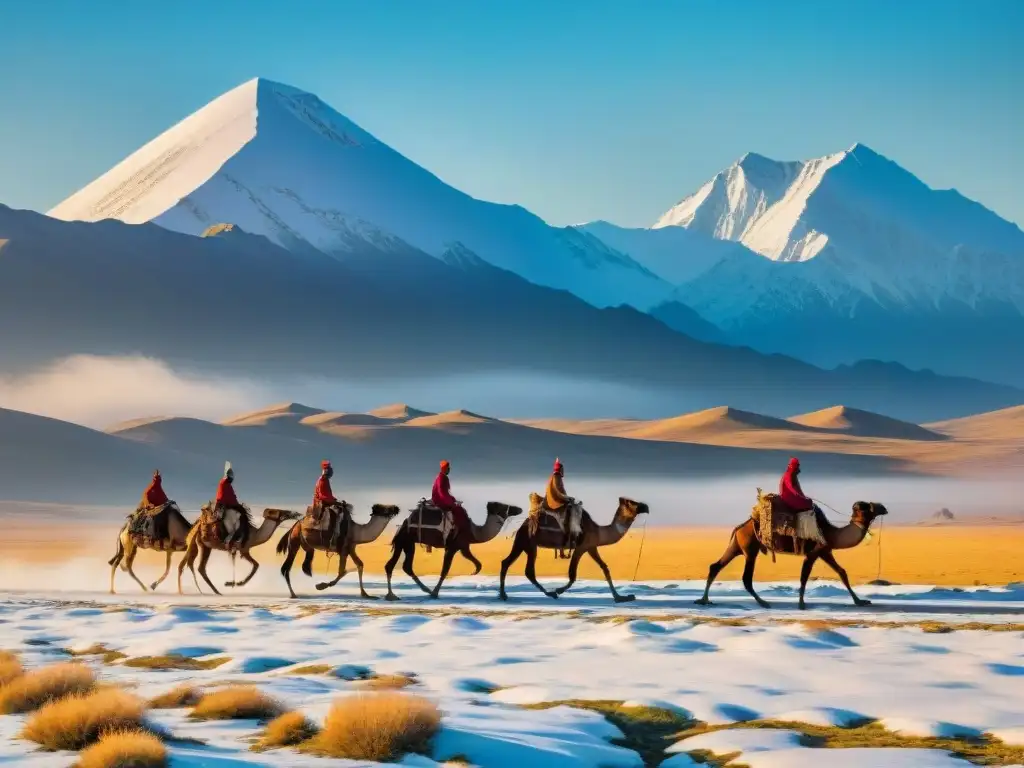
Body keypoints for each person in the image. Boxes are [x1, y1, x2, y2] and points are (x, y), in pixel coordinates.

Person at [215, 463, 250, 552]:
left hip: (229, 505)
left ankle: (233, 538)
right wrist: (233, 503)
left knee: (240, 516)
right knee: (224, 519)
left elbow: (232, 496)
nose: (231, 479)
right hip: (222, 506)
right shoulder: (223, 483)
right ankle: (226, 540)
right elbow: (224, 496)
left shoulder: (228, 484)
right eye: (230, 477)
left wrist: (236, 504)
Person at [431, 460, 469, 538]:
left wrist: (454, 500)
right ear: (444, 468)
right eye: (448, 468)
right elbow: (441, 493)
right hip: (439, 500)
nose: (449, 470)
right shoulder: (441, 477)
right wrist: (451, 503)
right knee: (458, 510)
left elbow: (446, 493)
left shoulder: (444, 477)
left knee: (459, 509)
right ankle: (453, 532)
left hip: (442, 499)